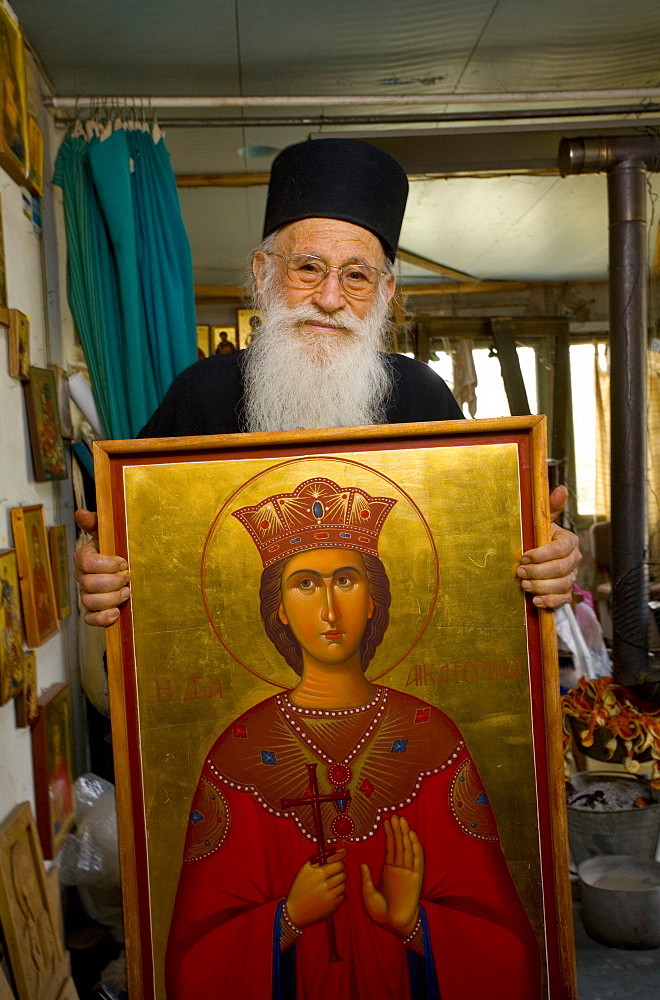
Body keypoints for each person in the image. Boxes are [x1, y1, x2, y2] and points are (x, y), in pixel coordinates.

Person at [74, 138, 580, 624]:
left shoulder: (423, 394)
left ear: (385, 293)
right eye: (308, 268)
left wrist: (548, 553)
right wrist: (97, 563)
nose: (331, 298)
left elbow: (485, 543)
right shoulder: (199, 392)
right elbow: (120, 536)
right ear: (263, 274)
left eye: (357, 276)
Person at [165, 476, 541, 1000]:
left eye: (345, 581)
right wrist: (287, 918)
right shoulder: (239, 750)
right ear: (277, 610)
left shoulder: (431, 737)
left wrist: (413, 923)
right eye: (304, 585)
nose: (328, 610)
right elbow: (192, 961)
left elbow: (510, 950)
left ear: (372, 600)